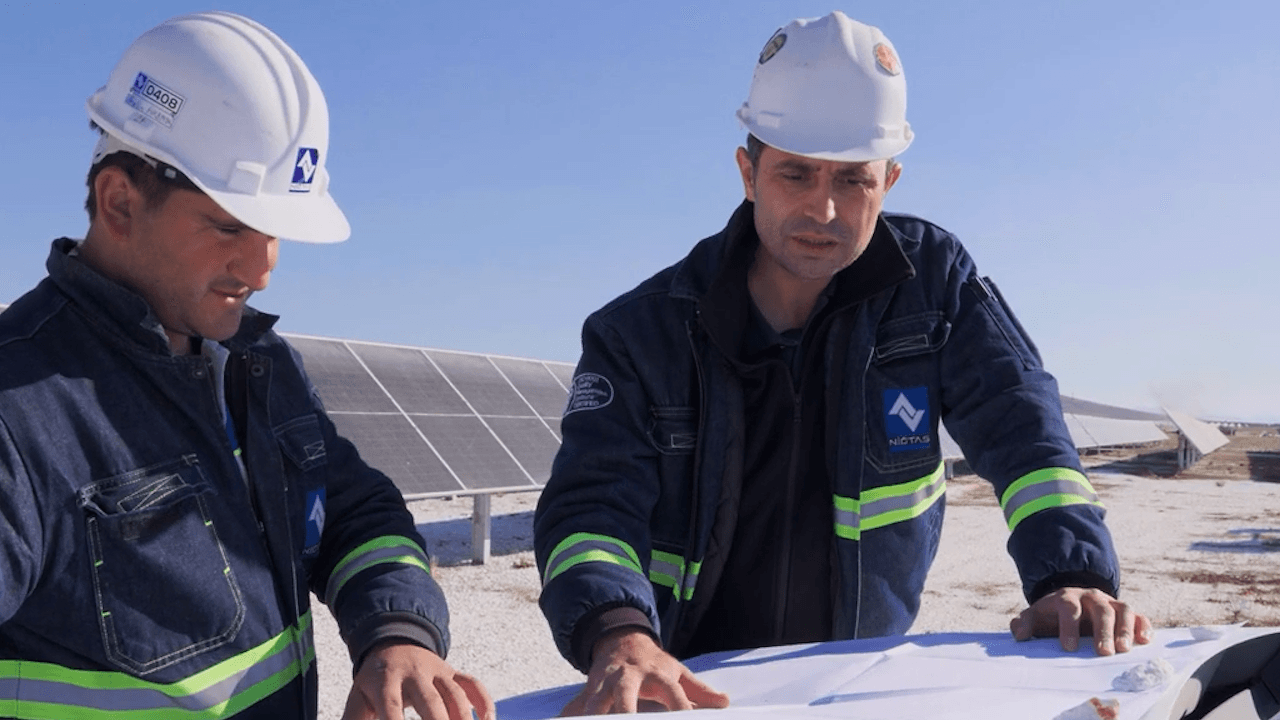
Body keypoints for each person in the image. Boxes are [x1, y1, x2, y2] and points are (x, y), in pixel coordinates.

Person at [534, 11, 1151, 714]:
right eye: (795, 173)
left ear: (889, 180)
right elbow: (592, 509)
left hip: (855, 689)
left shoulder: (933, 284)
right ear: (748, 173)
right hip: (687, 688)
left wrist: (1068, 576)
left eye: (853, 180)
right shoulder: (640, 334)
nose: (822, 209)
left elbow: (1024, 428)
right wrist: (618, 632)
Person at [0, 12, 492, 720]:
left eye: (274, 232)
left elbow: (355, 510)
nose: (261, 270)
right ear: (119, 202)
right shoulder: (18, 411)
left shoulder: (259, 365)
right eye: (229, 226)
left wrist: (396, 631)